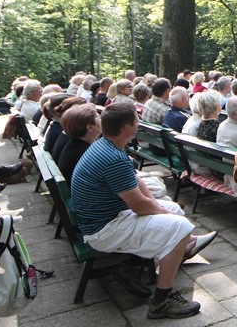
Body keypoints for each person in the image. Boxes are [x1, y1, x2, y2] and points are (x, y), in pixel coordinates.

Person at [70, 102, 217, 320]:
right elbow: (138, 206)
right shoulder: (112, 158)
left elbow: (136, 181)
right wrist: (164, 216)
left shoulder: (106, 145)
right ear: (128, 127)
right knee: (181, 225)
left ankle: (133, 266)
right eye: (137, 121)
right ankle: (162, 301)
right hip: (103, 229)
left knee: (174, 209)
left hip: (108, 217)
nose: (139, 123)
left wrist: (161, 209)